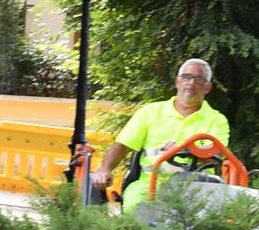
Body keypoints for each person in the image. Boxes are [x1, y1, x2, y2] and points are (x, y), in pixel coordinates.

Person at [90, 57, 231, 216]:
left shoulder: (216, 120)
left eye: (199, 79)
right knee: (135, 210)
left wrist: (184, 149)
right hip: (150, 183)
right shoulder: (150, 112)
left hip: (197, 186)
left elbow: (217, 155)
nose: (191, 83)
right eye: (186, 77)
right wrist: (105, 169)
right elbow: (122, 145)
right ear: (177, 81)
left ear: (207, 87)